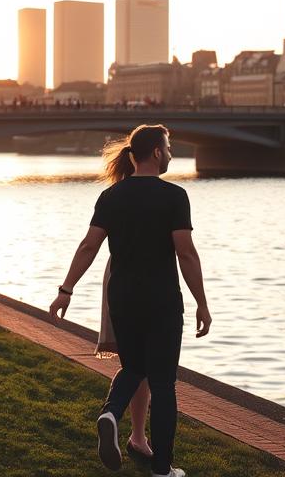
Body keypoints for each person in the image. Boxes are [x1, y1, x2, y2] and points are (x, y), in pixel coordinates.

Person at [49, 124, 211, 477]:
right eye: (167, 148)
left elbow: (89, 246)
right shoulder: (174, 196)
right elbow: (186, 253)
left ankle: (110, 412)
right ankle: (163, 470)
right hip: (162, 300)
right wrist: (202, 302)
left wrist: (66, 290)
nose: (170, 154)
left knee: (134, 367)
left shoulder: (112, 196)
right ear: (156, 152)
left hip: (121, 297)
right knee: (163, 383)